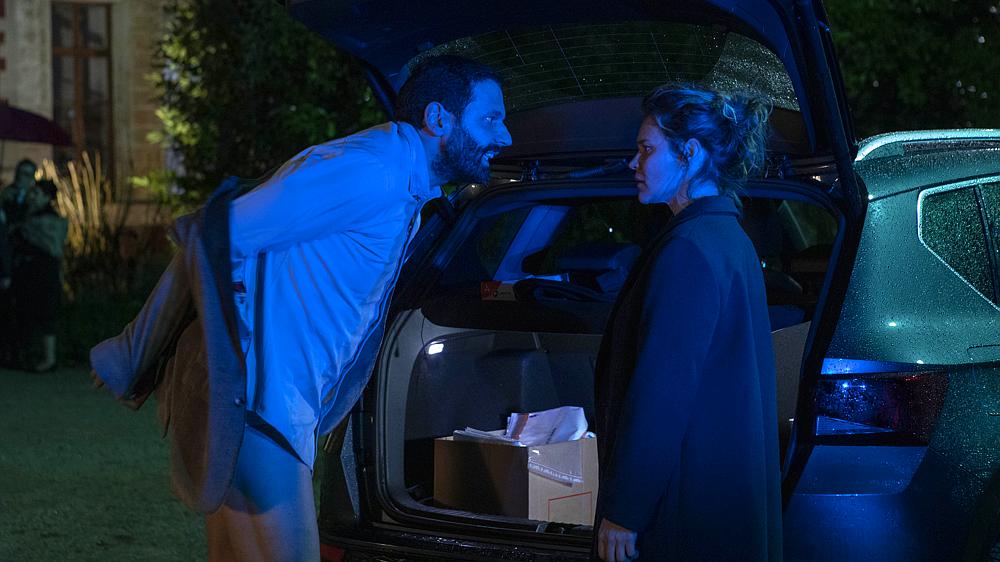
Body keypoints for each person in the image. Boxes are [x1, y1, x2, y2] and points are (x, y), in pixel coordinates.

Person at [89, 55, 511, 561]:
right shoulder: (371, 171)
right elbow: (215, 233)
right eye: (491, 118)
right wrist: (132, 350)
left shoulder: (403, 185)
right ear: (438, 118)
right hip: (259, 411)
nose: (505, 136)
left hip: (273, 413)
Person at [593, 86, 781, 562]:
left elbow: (663, 392)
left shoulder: (688, 248)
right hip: (717, 500)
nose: (633, 163)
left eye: (646, 149)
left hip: (681, 506)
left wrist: (625, 510)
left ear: (690, 153)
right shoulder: (728, 237)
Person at [12, 180, 68, 372]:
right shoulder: (27, 214)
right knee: (29, 312)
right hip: (30, 272)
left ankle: (49, 359)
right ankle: (32, 356)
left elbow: (53, 245)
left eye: (37, 193)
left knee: (46, 313)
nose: (32, 196)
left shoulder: (48, 220)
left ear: (46, 197)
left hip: (44, 272)